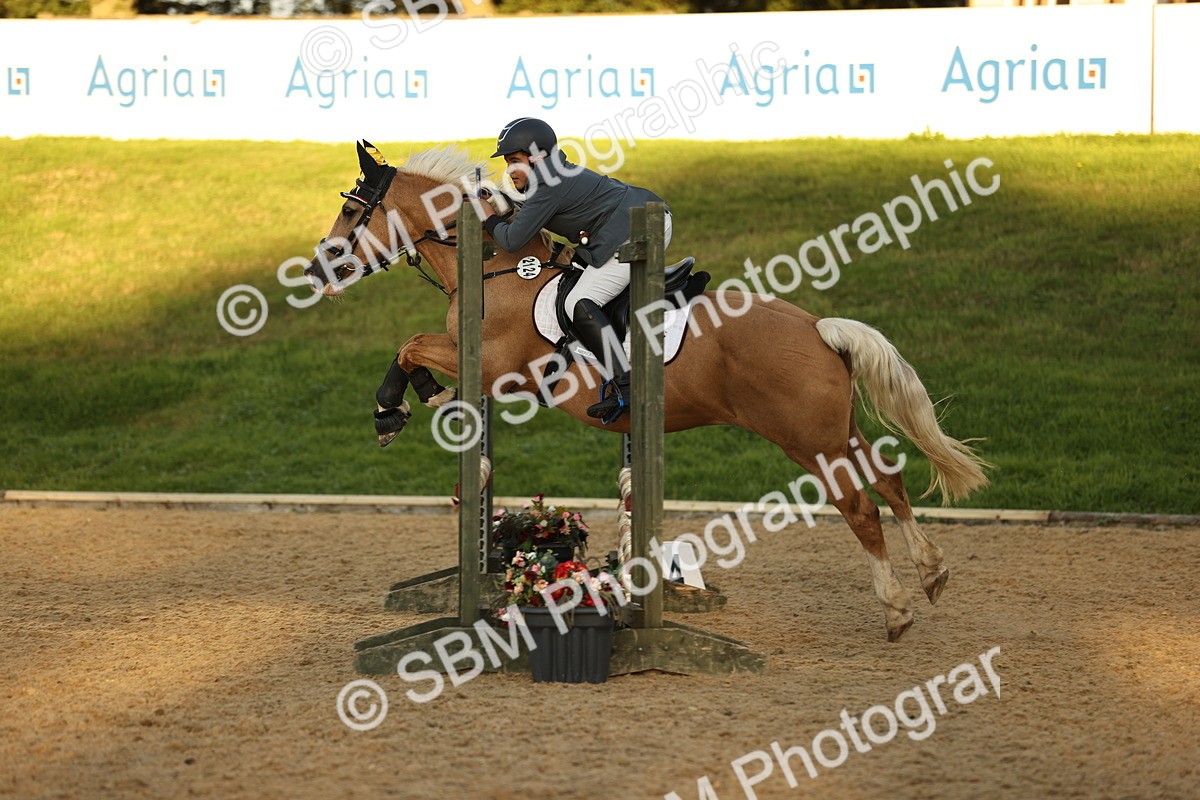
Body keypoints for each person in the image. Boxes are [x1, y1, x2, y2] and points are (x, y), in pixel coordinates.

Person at [476, 117, 672, 424]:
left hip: (638, 229)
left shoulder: (548, 185)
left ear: (537, 157)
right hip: (638, 220)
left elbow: (512, 241)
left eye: (515, 161)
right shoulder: (551, 175)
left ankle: (628, 385)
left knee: (578, 303)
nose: (509, 170)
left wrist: (487, 215)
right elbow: (528, 207)